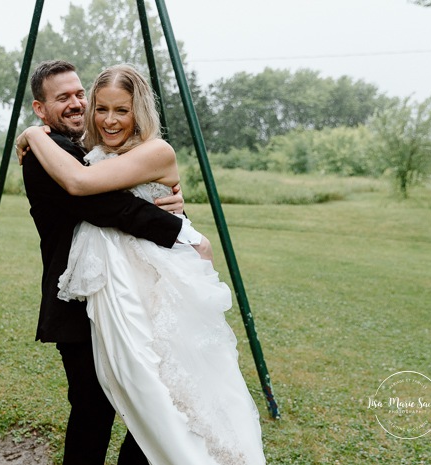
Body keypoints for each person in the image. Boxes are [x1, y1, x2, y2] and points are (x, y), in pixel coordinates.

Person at [17, 64, 266, 465]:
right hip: (81, 303)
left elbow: (127, 190)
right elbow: (104, 204)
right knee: (94, 411)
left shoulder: (88, 150)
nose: (77, 103)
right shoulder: (46, 153)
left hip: (138, 295)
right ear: (40, 109)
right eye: (63, 98)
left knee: (155, 402)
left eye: (80, 94)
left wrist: (174, 209)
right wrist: (183, 231)